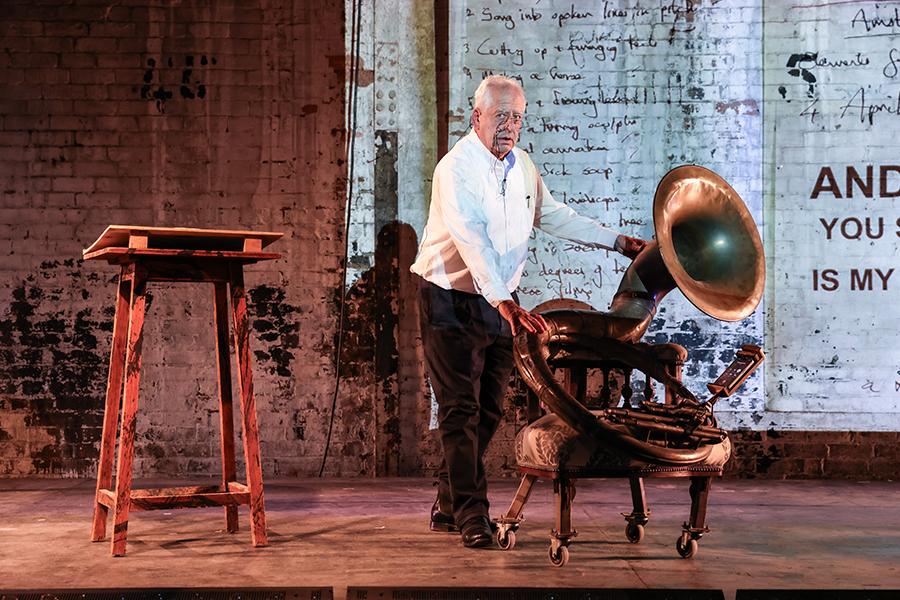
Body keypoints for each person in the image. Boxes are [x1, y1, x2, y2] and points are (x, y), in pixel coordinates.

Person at [410, 75, 646, 548]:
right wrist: (504, 301)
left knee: (490, 409)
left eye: (516, 116)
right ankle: (473, 517)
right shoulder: (455, 169)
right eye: (501, 115)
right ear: (476, 117)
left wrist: (617, 242)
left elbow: (553, 214)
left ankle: (450, 500)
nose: (509, 125)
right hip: (450, 299)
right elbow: (471, 240)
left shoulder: (522, 167)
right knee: (459, 409)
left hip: (500, 303)